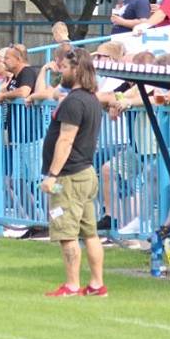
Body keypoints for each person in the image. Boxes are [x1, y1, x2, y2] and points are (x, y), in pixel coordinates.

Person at [41, 48, 107, 297]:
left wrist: (52, 175)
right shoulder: (91, 99)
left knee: (67, 232)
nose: (61, 71)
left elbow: (65, 140)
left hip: (69, 177)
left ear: (77, 70)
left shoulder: (74, 101)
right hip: (85, 173)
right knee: (90, 233)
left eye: (65, 68)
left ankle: (71, 285)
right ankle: (97, 284)